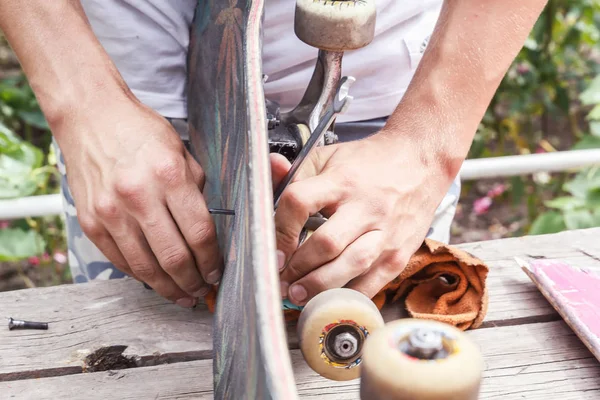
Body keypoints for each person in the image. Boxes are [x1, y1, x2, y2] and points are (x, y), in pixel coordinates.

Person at [0, 0, 547, 309]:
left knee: (357, 348)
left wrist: (427, 143)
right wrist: (82, 106)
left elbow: (424, 143)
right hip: (119, 123)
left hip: (385, 126)